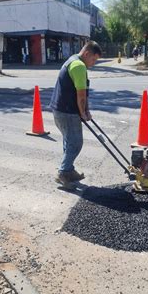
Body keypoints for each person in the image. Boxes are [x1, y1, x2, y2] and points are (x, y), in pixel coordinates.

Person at [49, 40, 102, 188]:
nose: (93, 63)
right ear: (86, 53)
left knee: (69, 142)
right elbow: (81, 95)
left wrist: (86, 110)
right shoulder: (79, 66)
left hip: (60, 110)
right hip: (67, 111)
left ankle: (69, 171)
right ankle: (63, 172)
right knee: (76, 143)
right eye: (93, 59)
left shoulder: (72, 60)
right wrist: (83, 112)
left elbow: (83, 93)